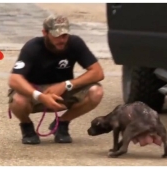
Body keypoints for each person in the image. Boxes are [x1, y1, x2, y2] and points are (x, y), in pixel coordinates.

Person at [7, 14, 104, 145]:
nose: (61, 40)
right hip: (36, 91)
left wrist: (67, 84)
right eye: (56, 35)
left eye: (64, 35)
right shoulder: (32, 47)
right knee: (18, 100)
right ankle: (27, 127)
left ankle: (62, 123)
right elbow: (14, 79)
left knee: (96, 92)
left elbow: (98, 72)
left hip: (63, 91)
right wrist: (40, 96)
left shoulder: (75, 43)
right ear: (45, 33)